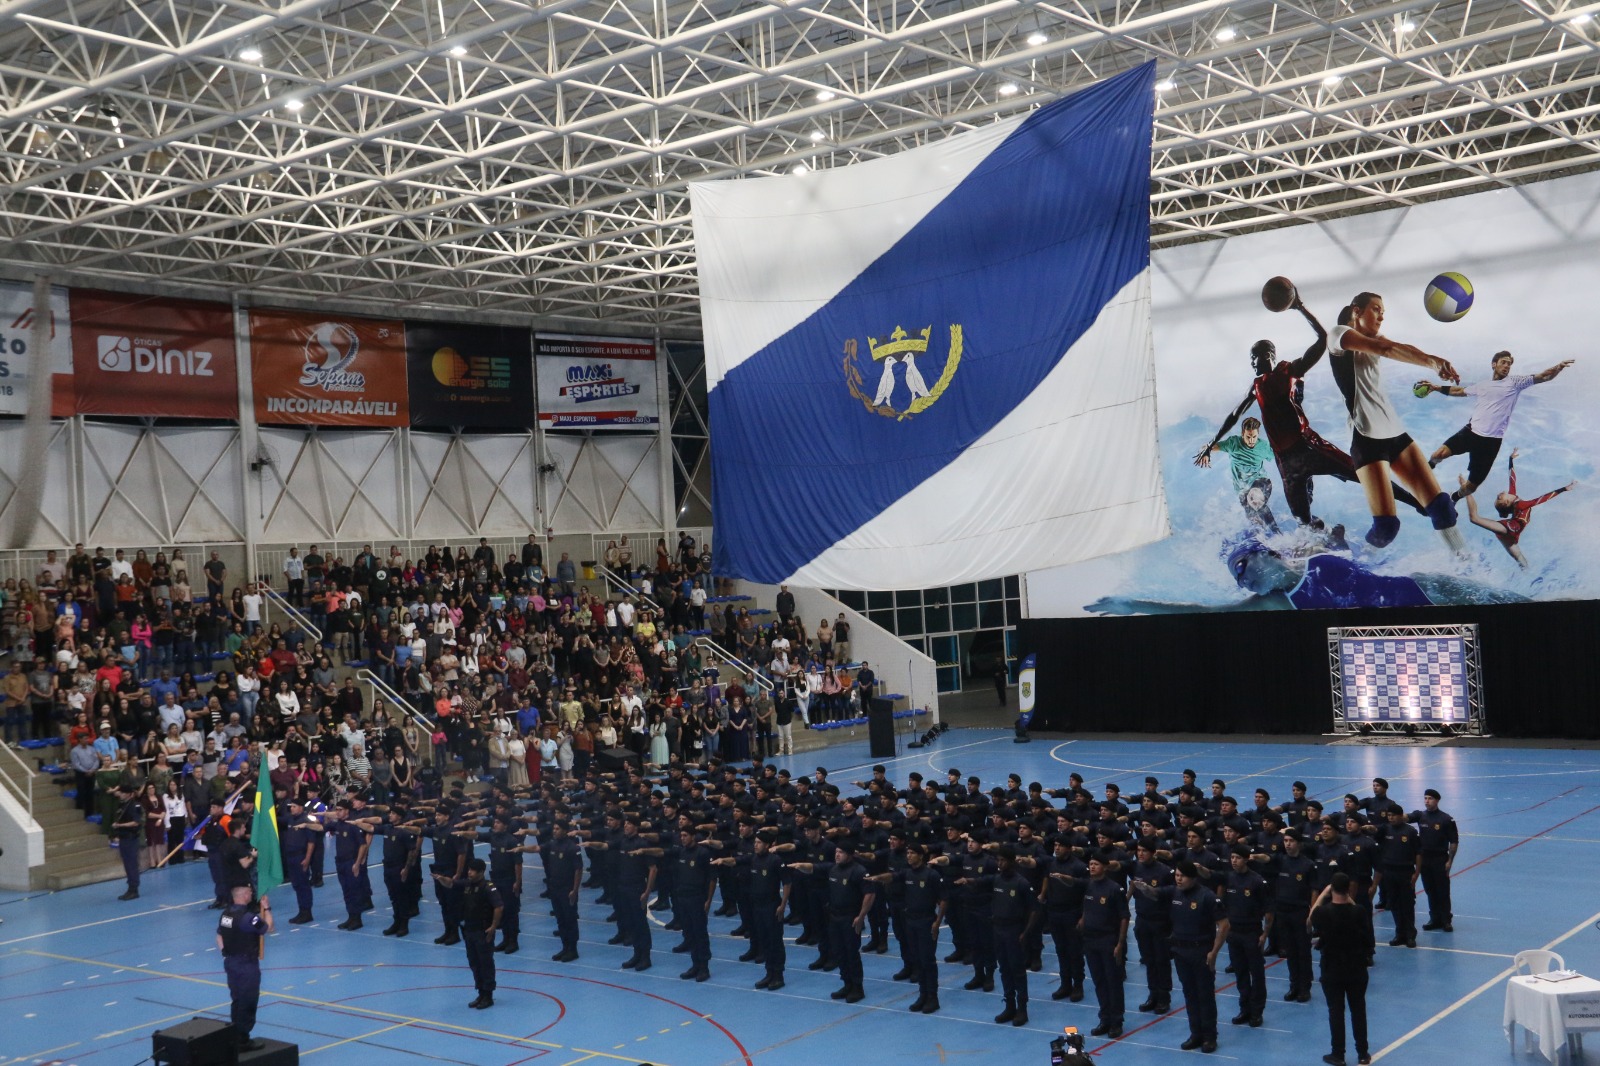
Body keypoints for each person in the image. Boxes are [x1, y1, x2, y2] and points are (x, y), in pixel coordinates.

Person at [1196, 297, 1421, 526]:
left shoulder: (1289, 370)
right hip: (1286, 461)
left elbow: (1323, 339)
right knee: (1301, 519)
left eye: (1253, 357)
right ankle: (1319, 534)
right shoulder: (1256, 387)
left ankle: (1417, 503)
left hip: (1309, 447)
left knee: (1363, 475)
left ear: (1267, 356)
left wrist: (1300, 307)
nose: (1252, 363)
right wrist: (1212, 441)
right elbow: (1234, 415)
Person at [1327, 291, 1465, 551]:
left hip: (1396, 434)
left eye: (1383, 312)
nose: (1381, 316)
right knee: (1386, 528)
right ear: (1355, 312)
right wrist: (1432, 362)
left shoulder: (1374, 340)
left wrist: (1432, 360)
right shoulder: (1337, 335)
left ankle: (1466, 566)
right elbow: (1386, 349)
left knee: (1442, 508)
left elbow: (1397, 347)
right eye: (1376, 309)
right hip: (1367, 438)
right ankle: (1353, 556)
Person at [1419, 351, 1574, 498]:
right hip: (1470, 432)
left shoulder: (1515, 383)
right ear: (1494, 364)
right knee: (1437, 455)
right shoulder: (1483, 385)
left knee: (1470, 488)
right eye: (1503, 362)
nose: (1506, 366)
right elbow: (1459, 391)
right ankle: (1429, 468)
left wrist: (1558, 367)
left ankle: (1455, 496)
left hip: (1490, 443)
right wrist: (1435, 387)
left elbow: (1544, 376)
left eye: (1509, 364)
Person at [1134, 860, 1227, 1054]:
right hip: (1181, 952)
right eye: (1176, 875)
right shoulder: (1173, 892)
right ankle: (1195, 1034)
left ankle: (1209, 1037)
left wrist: (1214, 951)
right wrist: (1143, 888)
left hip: (1201, 952)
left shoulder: (1207, 896)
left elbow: (1224, 925)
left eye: (1182, 876)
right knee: (1189, 995)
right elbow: (1155, 893)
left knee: (1205, 996)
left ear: (1192, 877)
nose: (1178, 879)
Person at [1459, 451, 1575, 568]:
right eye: (1499, 498)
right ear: (1506, 502)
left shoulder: (1513, 496)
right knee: (1474, 518)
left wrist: (1510, 460)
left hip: (1512, 532)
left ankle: (1527, 576)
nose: (1499, 494)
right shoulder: (1520, 505)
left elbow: (1512, 478)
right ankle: (1467, 491)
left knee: (1521, 560)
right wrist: (1564, 489)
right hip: (1509, 528)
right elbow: (1541, 499)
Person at [1311, 872, 1373, 1066]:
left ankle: (1338, 1053)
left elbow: (1310, 919)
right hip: (1356, 968)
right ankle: (1363, 1053)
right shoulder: (1359, 911)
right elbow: (1368, 938)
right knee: (1358, 1010)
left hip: (1332, 969)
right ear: (1348, 889)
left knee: (1336, 1011)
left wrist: (1323, 894)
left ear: (1332, 889)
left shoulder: (1323, 913)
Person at [1196, 416, 1281, 529]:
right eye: (1248, 437)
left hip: (1261, 482)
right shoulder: (1233, 443)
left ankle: (1278, 534)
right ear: (1242, 434)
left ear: (1258, 435)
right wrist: (1205, 452)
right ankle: (1264, 541)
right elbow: (1209, 447)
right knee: (1253, 519)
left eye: (1254, 437)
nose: (1251, 440)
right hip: (1242, 489)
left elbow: (1281, 457)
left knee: (1255, 499)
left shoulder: (1264, 446)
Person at [217, 883, 274, 1052]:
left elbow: (219, 935)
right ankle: (243, 1039)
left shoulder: (226, 915)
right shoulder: (249, 918)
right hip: (247, 964)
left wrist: (225, 952)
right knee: (248, 1000)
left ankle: (235, 1034)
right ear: (244, 896)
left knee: (237, 999)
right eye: (249, 892)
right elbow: (268, 927)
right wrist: (267, 908)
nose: (251, 894)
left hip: (231, 962)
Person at [446, 858, 502, 1009]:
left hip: (482, 931)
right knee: (474, 963)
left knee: (486, 963)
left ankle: (488, 995)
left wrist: (493, 926)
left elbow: (498, 907)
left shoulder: (488, 887)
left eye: (472, 870)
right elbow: (451, 883)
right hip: (469, 931)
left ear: (481, 872)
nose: (469, 872)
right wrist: (441, 879)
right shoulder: (467, 885)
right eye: (469, 869)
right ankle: (481, 992)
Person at [1407, 789, 1458, 933]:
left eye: (1430, 798)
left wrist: (1450, 861)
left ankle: (1446, 920)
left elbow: (1454, 841)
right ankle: (1434, 918)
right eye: (1425, 798)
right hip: (1425, 860)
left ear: (1437, 800)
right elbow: (1406, 817)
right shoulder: (1421, 816)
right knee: (1430, 890)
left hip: (1440, 859)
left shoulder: (1446, 819)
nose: (1427, 801)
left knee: (1442, 891)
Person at [1373, 807, 1420, 947]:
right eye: (1388, 815)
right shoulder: (1385, 830)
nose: (1390, 818)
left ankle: (1410, 935)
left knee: (1407, 904)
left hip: (1405, 872)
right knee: (1394, 904)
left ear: (1400, 816)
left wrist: (1416, 873)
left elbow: (1418, 853)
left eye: (1393, 815)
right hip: (1389, 872)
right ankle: (1400, 933)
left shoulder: (1410, 831)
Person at [110, 784, 144, 900]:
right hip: (124, 837)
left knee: (132, 864)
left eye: (123, 792)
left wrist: (119, 825)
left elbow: (136, 822)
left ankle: (134, 889)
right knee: (127, 863)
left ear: (129, 794)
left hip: (131, 838)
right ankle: (130, 887)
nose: (121, 794)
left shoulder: (134, 805)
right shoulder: (122, 805)